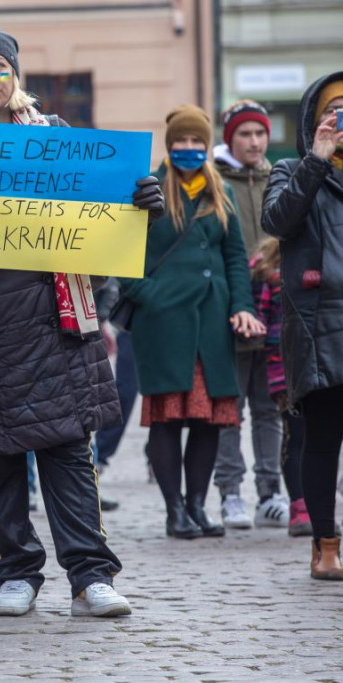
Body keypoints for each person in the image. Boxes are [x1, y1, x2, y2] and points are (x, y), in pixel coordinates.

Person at [0, 28, 158, 618]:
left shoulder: (56, 140)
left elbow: (103, 223)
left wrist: (139, 205)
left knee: (68, 454)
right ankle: (15, 572)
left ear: (16, 75)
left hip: (55, 323)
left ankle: (91, 576)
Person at [120, 104, 263, 540]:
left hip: (212, 321)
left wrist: (242, 305)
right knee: (167, 418)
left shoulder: (220, 192)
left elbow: (235, 256)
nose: (187, 149)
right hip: (163, 323)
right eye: (180, 142)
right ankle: (174, 510)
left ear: (206, 146)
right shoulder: (148, 189)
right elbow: (123, 251)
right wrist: (148, 297)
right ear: (169, 146)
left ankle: (198, 505)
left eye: (195, 142)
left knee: (206, 419)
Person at [262, 70, 343, 579]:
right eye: (334, 109)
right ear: (314, 118)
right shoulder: (291, 168)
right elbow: (277, 223)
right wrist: (317, 159)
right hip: (319, 323)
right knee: (323, 437)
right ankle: (326, 545)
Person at [212, 100, 288, 530]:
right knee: (230, 407)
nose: (255, 142)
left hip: (276, 307)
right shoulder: (216, 183)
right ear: (231, 139)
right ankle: (230, 493)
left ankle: (269, 491)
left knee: (269, 405)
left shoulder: (278, 175)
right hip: (234, 308)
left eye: (260, 133)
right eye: (246, 134)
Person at [250, 238, 310, 536]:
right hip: (283, 368)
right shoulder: (268, 268)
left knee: (321, 436)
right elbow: (260, 317)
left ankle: (316, 501)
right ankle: (300, 506)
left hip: (322, 361)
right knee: (294, 435)